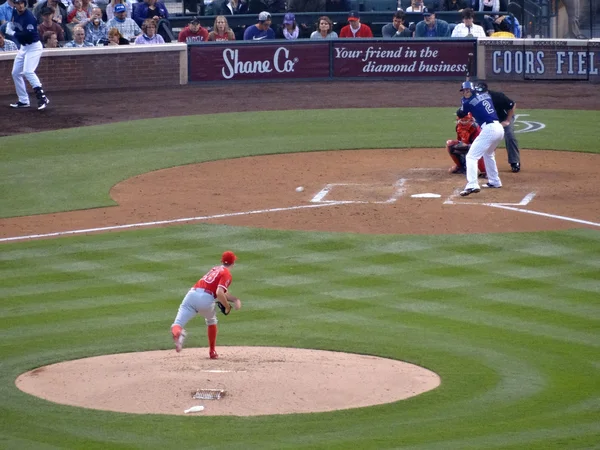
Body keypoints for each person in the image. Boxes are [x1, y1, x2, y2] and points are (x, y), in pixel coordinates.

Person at [170, 251, 241, 360]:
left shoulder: (215, 269)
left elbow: (221, 291)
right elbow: (219, 292)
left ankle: (179, 333)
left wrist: (234, 299)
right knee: (211, 321)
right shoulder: (227, 273)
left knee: (177, 324)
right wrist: (227, 306)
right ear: (233, 263)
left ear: (222, 261)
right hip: (206, 299)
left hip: (192, 295)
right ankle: (212, 351)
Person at [457, 81, 504, 196]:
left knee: (471, 156)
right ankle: (495, 181)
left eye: (468, 90)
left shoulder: (467, 102)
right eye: (464, 91)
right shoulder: (485, 95)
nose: (466, 92)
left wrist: (463, 102)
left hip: (490, 129)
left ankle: (472, 184)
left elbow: (461, 113)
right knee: (488, 154)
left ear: (472, 90)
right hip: (499, 129)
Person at [6, 0, 50, 110]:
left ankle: (42, 97)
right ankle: (23, 100)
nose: (20, 5)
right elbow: (13, 21)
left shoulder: (29, 17)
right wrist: (10, 25)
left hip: (33, 47)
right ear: (14, 4)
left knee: (28, 71)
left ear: (25, 4)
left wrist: (13, 33)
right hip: (24, 47)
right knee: (15, 72)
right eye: (18, 3)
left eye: (22, 3)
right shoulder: (14, 12)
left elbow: (28, 36)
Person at [475, 81, 521, 172]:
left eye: (482, 92)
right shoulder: (476, 98)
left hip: (503, 118)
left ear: (486, 91)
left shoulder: (497, 96)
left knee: (510, 136)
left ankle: (515, 162)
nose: (480, 94)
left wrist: (507, 120)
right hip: (488, 121)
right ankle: (474, 161)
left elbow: (512, 105)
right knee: (478, 136)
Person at [446, 109, 487, 176]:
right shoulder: (458, 126)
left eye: (466, 120)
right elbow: (460, 140)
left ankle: (484, 171)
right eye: (462, 120)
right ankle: (460, 167)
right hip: (467, 145)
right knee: (450, 144)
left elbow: (480, 143)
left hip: (479, 146)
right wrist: (461, 145)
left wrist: (468, 146)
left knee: (474, 149)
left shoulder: (475, 127)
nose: (464, 122)